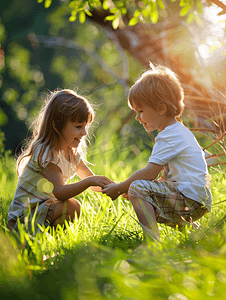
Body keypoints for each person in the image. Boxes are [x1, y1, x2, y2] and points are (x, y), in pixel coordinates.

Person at [102, 64, 212, 242]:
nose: (137, 118)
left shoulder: (169, 135)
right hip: (196, 199)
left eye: (141, 111)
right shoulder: (177, 131)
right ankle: (198, 236)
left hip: (189, 199)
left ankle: (151, 244)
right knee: (144, 194)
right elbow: (165, 177)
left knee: (138, 187)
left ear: (161, 108)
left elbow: (149, 173)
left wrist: (121, 187)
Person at [7, 89, 113, 234]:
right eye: (78, 127)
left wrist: (119, 188)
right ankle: (34, 243)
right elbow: (60, 192)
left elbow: (92, 181)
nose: (85, 132)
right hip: (20, 221)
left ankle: (45, 246)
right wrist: (90, 181)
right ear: (56, 126)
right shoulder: (47, 153)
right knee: (71, 207)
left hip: (40, 211)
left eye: (85, 126)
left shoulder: (71, 152)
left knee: (70, 207)